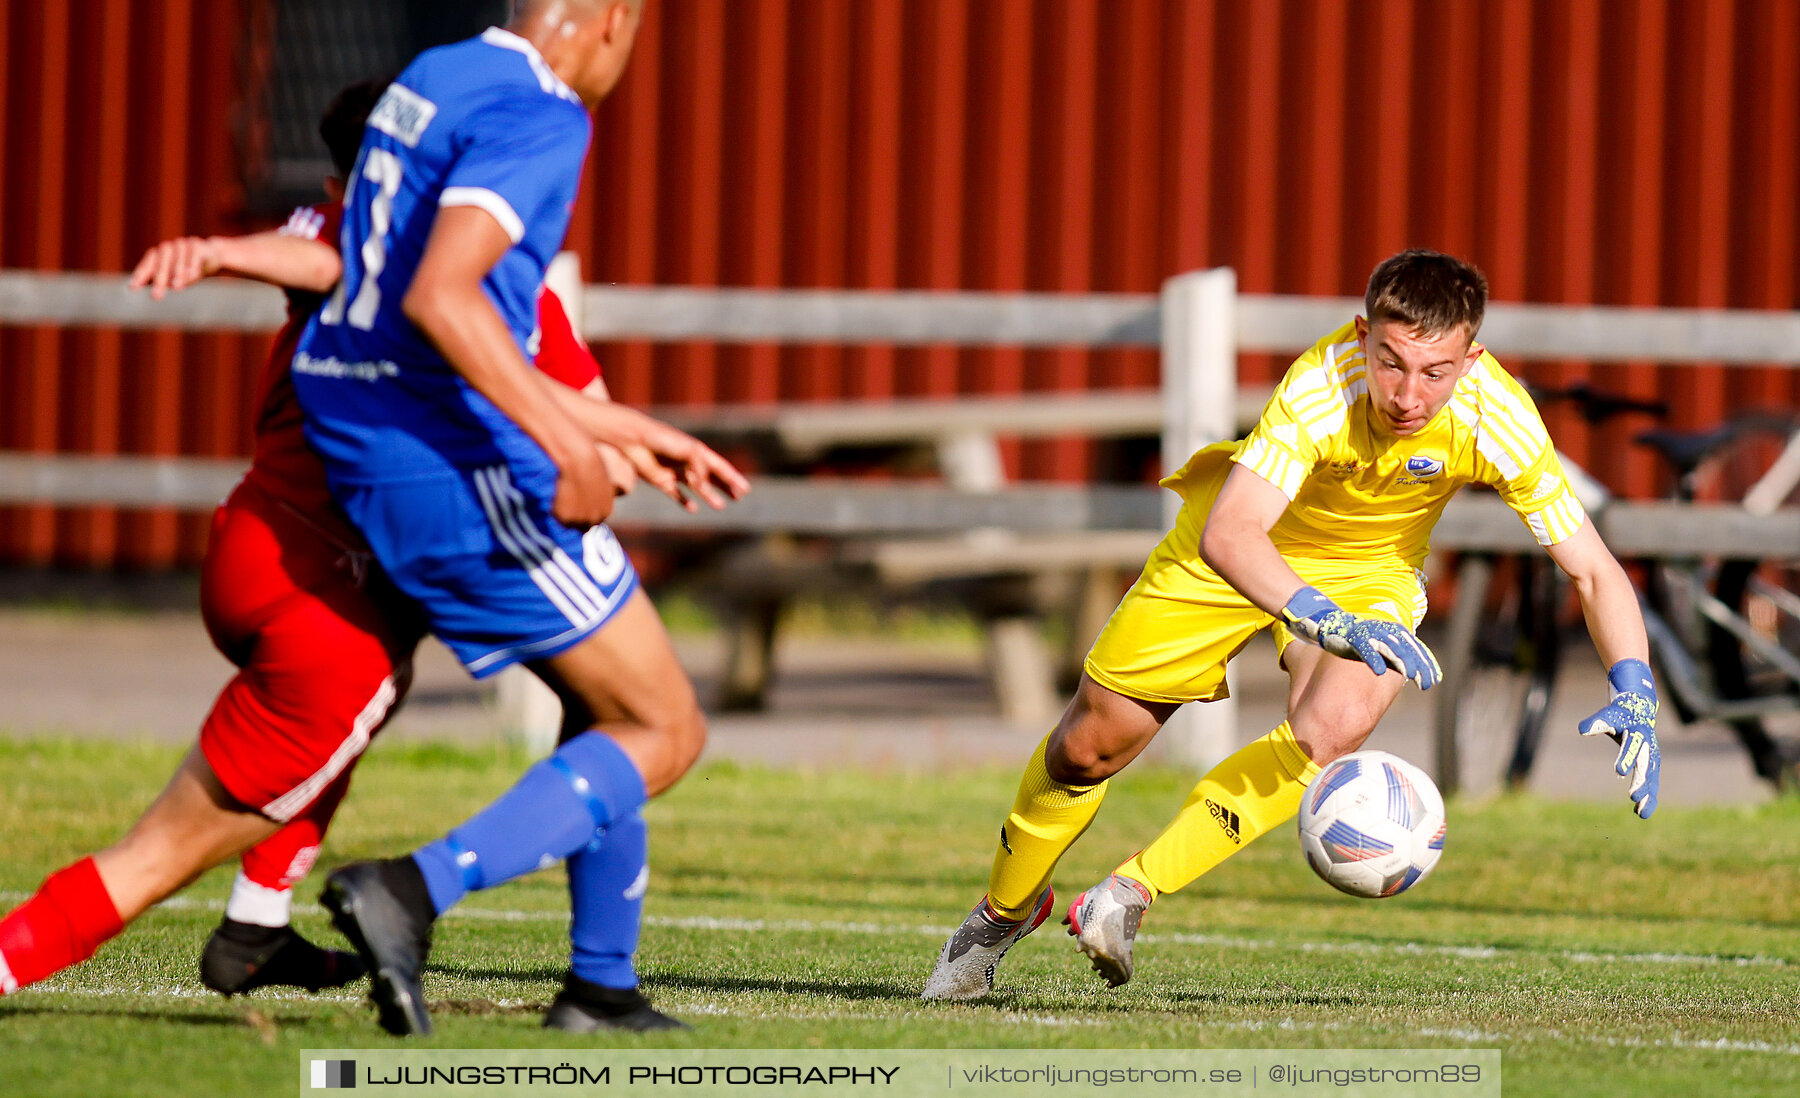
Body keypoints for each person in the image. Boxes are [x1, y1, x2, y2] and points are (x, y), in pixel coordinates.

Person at [0, 72, 740, 1008]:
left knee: (565, 708)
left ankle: (264, 923)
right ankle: (455, 913)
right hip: (330, 600)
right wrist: (611, 447)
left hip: (259, 543)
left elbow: (322, 260)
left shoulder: (353, 237)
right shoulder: (441, 271)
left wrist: (220, 250)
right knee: (162, 850)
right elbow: (378, 290)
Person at [922, 249, 1662, 1001]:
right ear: (1362, 335)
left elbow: (1594, 570)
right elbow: (1233, 533)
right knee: (1090, 747)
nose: (1409, 394)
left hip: (1369, 570)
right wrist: (1321, 618)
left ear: (1471, 360)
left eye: (1435, 371)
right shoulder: (1321, 385)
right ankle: (1001, 916)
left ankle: (1126, 895)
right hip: (1245, 546)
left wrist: (1634, 688)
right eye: (1392, 362)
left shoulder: (1498, 417)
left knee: (1332, 725)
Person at [290, 0, 730, 1037]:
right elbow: (445, 299)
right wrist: (570, 442)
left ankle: (599, 987)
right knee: (665, 725)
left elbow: (386, 282)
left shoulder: (432, 75)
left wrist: (607, 419)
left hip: (360, 424)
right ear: (611, 18)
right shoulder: (546, 110)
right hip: (439, 450)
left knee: (607, 699)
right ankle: (411, 890)